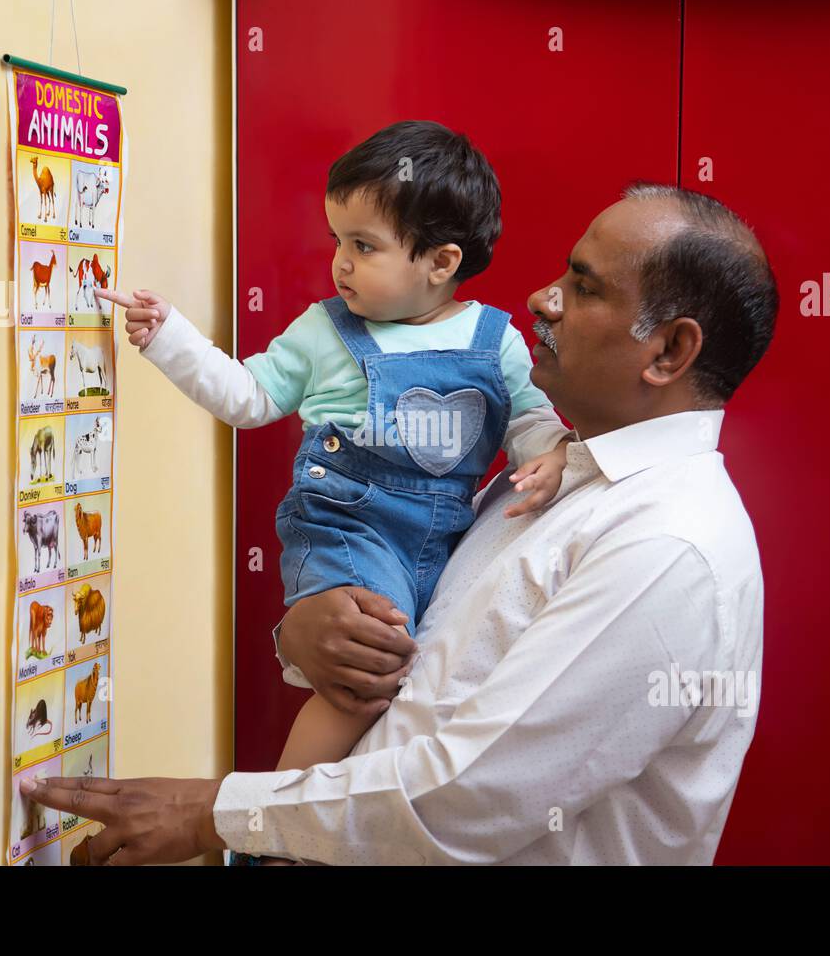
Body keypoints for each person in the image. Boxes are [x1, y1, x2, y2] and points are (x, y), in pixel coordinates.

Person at [27, 181, 779, 865]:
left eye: (582, 287)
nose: (544, 300)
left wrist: (213, 814)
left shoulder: (667, 546)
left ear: (670, 349)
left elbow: (473, 793)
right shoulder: (552, 484)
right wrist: (308, 631)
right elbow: (429, 655)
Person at [97, 120, 572, 785]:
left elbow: (531, 418)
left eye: (364, 245)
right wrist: (172, 338)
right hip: (348, 525)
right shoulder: (326, 330)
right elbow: (250, 395)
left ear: (440, 262)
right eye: (338, 240)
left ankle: (335, 821)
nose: (340, 262)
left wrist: (554, 452)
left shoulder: (497, 342)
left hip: (440, 544)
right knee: (364, 681)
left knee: (415, 686)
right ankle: (272, 824)